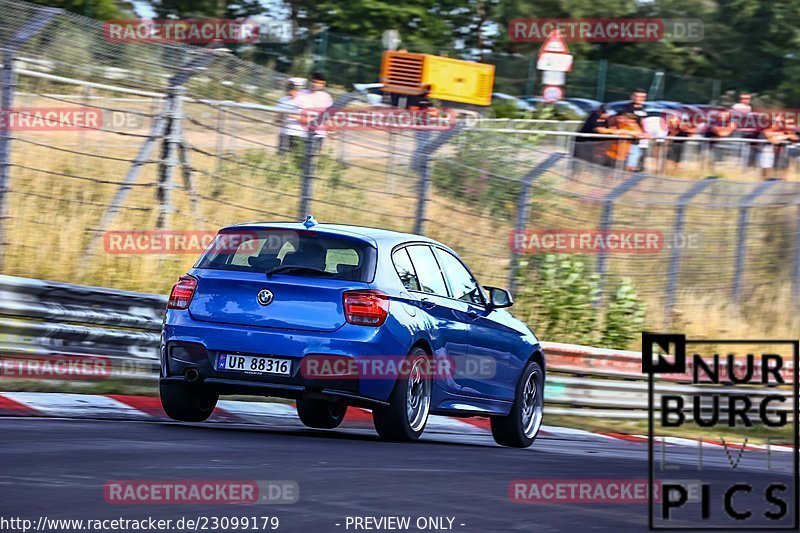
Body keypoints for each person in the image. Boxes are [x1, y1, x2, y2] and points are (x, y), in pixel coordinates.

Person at [293, 72, 334, 152]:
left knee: (313, 157)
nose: (314, 84)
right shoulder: (301, 93)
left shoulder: (326, 97)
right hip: (300, 132)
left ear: (323, 84)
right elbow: (292, 110)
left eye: (318, 83)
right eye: (313, 81)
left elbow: (329, 116)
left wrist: (331, 131)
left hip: (319, 133)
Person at [618, 89, 651, 170]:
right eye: (637, 96)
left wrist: (646, 133)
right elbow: (630, 122)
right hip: (627, 140)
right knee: (629, 165)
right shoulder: (626, 108)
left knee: (636, 162)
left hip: (638, 140)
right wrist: (641, 133)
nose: (639, 99)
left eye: (642, 97)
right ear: (632, 97)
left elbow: (643, 123)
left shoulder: (643, 109)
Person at [760, 114, 799, 179]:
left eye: (781, 122)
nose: (779, 124)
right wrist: (784, 136)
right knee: (767, 170)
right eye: (777, 122)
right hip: (769, 153)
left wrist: (783, 136)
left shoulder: (786, 130)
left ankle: (782, 181)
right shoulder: (768, 129)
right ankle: (767, 180)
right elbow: (774, 140)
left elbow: (794, 137)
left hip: (782, 153)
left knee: (783, 168)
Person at [276, 81, 303, 153]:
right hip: (284, 132)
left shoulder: (302, 100)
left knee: (295, 154)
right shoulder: (282, 100)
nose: (290, 94)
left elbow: (304, 118)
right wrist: (279, 118)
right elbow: (278, 117)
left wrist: (289, 115)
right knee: (281, 154)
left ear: (296, 90)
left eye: (292, 91)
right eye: (288, 92)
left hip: (297, 133)